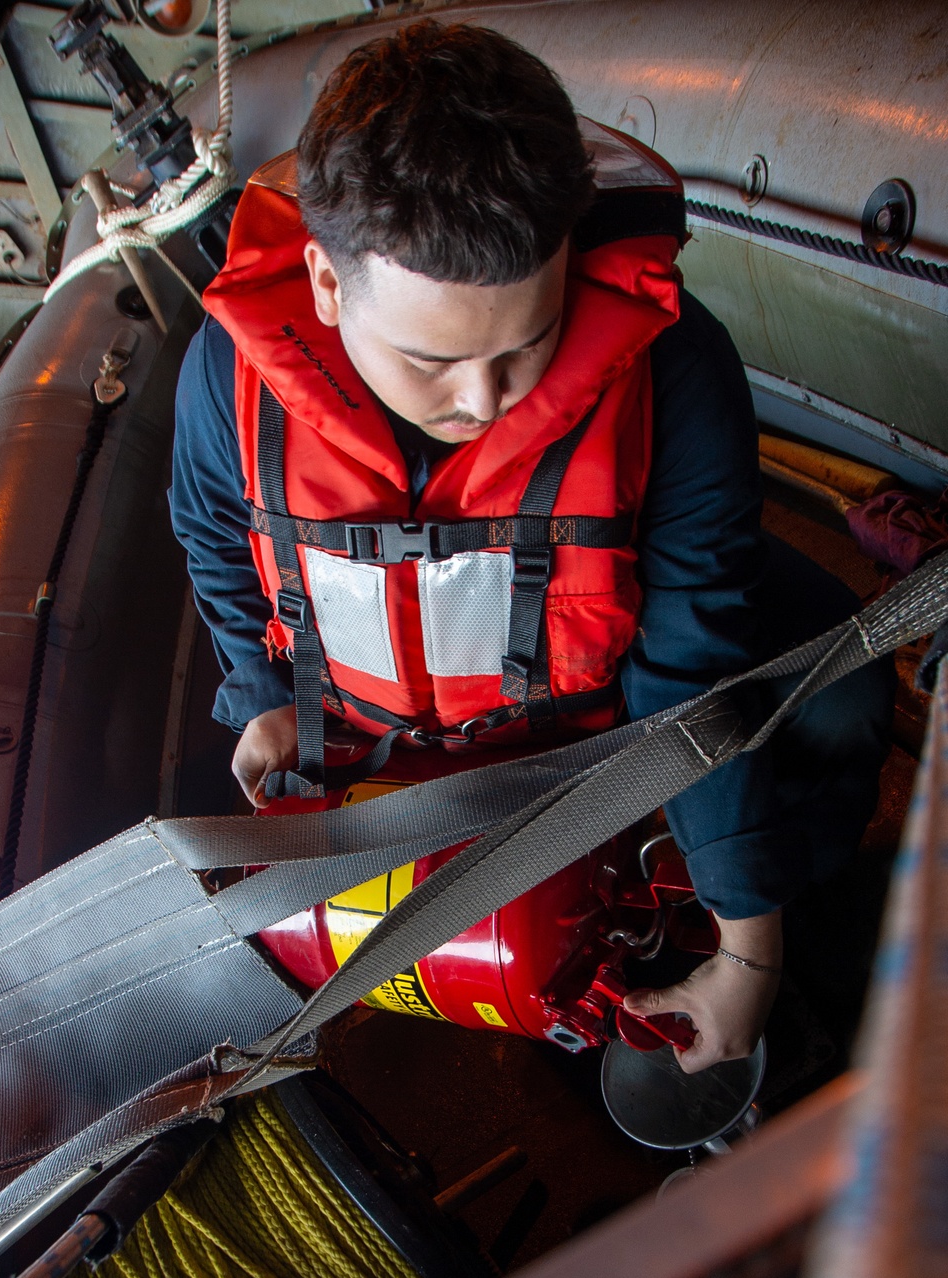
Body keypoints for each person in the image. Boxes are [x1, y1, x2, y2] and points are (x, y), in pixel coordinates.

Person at [169, 20, 893, 1073]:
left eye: (526, 344)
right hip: (388, 737)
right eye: (431, 359)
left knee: (843, 693)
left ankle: (774, 907)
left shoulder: (673, 364)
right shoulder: (223, 374)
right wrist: (259, 692)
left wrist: (750, 945)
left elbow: (686, 660)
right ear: (325, 286)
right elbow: (213, 533)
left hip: (598, 720)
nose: (484, 400)